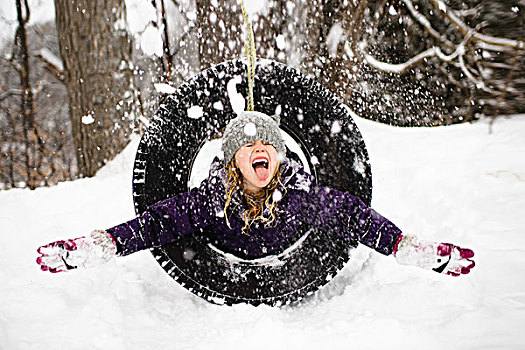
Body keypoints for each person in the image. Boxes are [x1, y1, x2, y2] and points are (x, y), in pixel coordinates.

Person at [36, 111, 475, 278]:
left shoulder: (300, 197)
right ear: (232, 160)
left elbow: (354, 215)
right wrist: (99, 245)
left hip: (291, 270)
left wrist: (406, 246)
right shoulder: (212, 200)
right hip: (223, 275)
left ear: (280, 156)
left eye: (268, 143)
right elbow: (157, 223)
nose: (259, 148)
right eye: (248, 145)